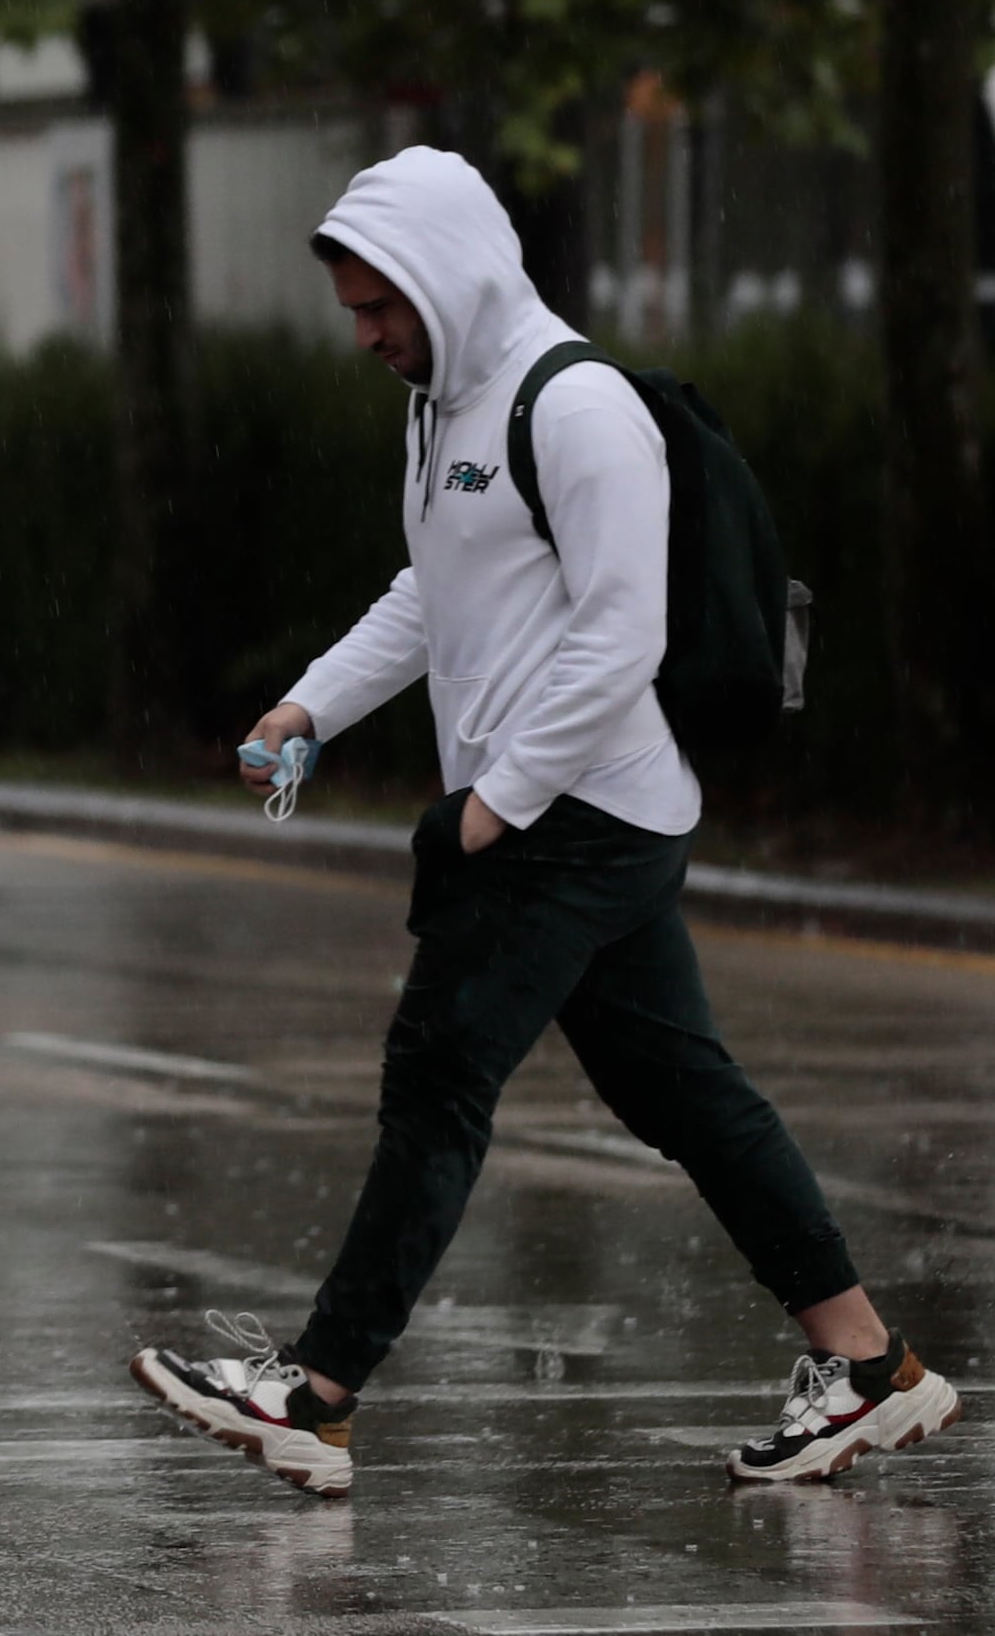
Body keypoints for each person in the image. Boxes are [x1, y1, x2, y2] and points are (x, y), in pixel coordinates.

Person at [132, 148, 954, 1493]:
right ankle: (869, 1366)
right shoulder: (443, 400)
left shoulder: (575, 408)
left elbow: (622, 630)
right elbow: (434, 590)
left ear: (446, 277)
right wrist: (308, 706)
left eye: (379, 306)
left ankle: (317, 1391)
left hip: (572, 813)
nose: (366, 336)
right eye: (354, 310)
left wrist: (493, 809)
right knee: (682, 1091)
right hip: (571, 814)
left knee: (439, 1077)